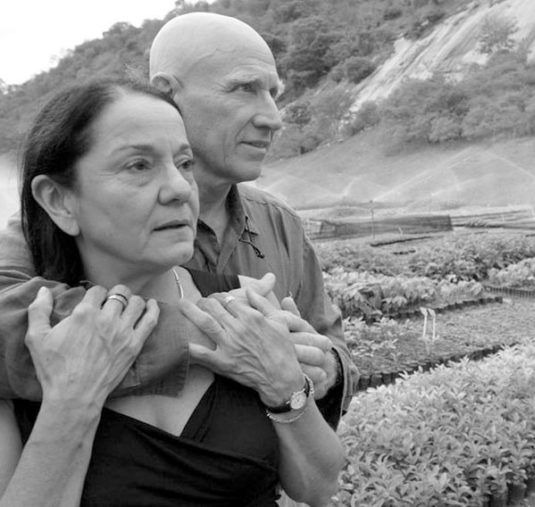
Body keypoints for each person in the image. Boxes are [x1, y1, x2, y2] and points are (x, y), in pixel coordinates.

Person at [0, 12, 357, 428]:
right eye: (244, 89)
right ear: (166, 93)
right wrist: (208, 333)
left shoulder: (281, 224)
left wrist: (323, 367)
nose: (273, 117)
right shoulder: (56, 224)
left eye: (274, 93)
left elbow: (332, 346)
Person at [0, 78, 345, 506]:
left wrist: (286, 387)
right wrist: (72, 404)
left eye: (184, 164)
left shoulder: (247, 306)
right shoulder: (26, 348)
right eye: (138, 166)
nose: (181, 189)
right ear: (58, 200)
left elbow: (318, 487)